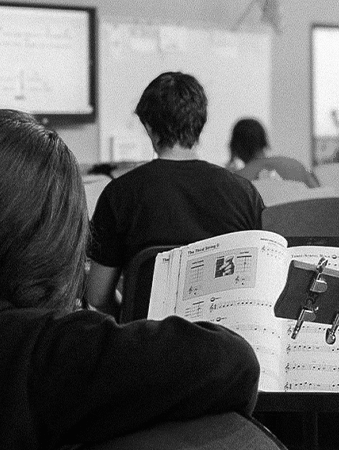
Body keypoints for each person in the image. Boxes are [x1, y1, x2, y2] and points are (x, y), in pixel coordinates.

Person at [0, 109, 261, 450]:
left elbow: (99, 294)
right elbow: (232, 360)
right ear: (53, 242)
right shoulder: (44, 351)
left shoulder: (123, 192)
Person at [85, 72, 264, 318]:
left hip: (145, 338)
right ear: (200, 123)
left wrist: (128, 319)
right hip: (222, 338)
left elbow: (97, 296)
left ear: (149, 128)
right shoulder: (245, 194)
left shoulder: (119, 194)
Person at [229, 117, 320, 188]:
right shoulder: (296, 166)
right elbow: (320, 196)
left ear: (236, 147)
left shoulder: (238, 180)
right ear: (264, 141)